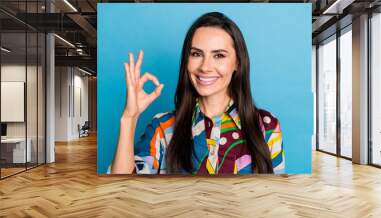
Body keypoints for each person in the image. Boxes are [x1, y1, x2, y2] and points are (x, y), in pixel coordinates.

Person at [110, 12, 285, 175]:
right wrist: (129, 119)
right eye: (196, 54)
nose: (205, 67)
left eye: (219, 55)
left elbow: (274, 197)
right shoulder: (163, 127)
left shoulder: (266, 127)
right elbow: (121, 190)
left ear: (237, 63)